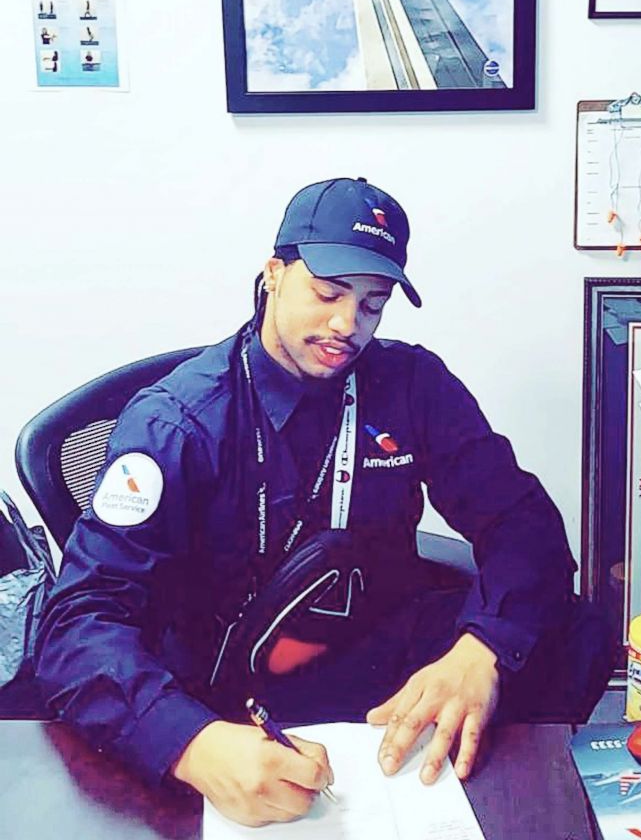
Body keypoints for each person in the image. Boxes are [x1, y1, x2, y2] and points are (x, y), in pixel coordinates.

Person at [35, 177, 611, 828]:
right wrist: (191, 744)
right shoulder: (177, 425)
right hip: (227, 690)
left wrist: (481, 651)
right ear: (274, 275)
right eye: (327, 293)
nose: (347, 325)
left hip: (383, 662)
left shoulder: (412, 385)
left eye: (372, 303)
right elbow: (77, 624)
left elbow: (520, 520)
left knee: (576, 632)